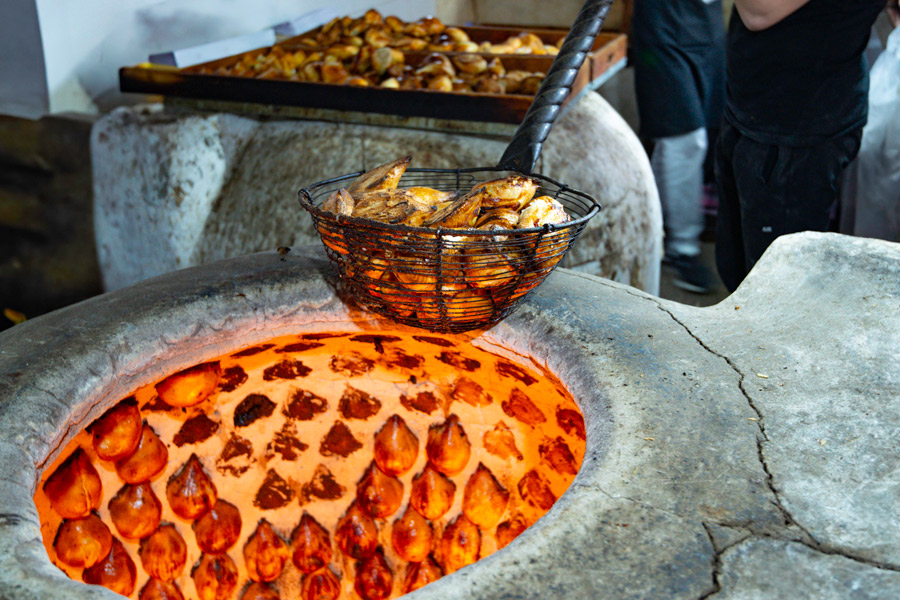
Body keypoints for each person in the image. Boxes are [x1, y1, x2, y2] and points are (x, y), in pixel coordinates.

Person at [715, 0, 886, 292]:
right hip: (758, 108)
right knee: (739, 270)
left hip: (793, 129)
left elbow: (759, 10)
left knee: (774, 287)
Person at [632, 0, 726, 294]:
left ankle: (656, 230)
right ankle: (682, 248)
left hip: (707, 30)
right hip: (664, 29)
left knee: (700, 136)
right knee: (684, 139)